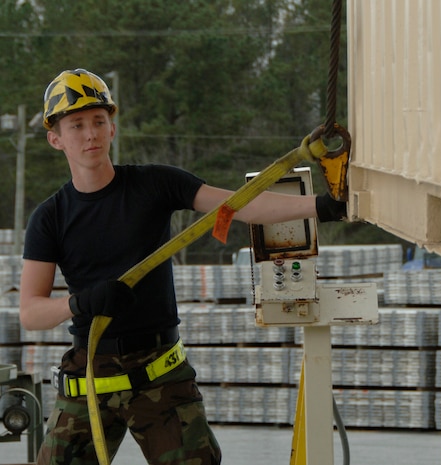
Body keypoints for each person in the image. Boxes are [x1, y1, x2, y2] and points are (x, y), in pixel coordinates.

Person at [19, 68, 346, 465]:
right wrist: (80, 303)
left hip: (160, 374)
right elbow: (31, 312)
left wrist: (321, 207)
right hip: (90, 378)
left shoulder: (154, 184)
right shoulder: (50, 217)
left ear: (112, 129)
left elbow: (242, 204)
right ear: (56, 139)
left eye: (98, 121)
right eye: (76, 125)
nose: (90, 134)